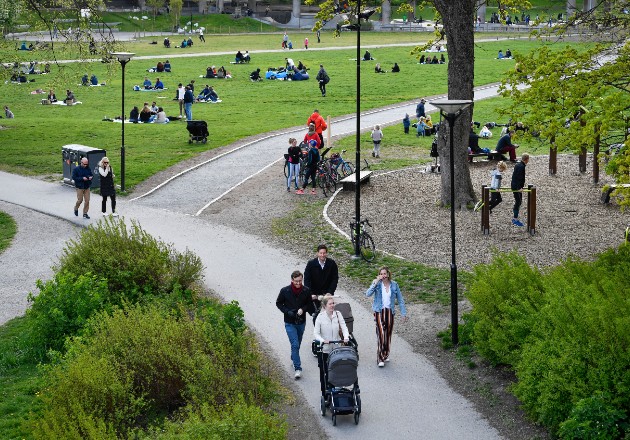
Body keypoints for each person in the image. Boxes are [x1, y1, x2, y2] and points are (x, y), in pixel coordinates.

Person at [365, 266, 407, 367]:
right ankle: (380, 358)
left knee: (388, 334)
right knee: (381, 334)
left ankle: (386, 353)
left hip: (390, 312)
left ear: (388, 274)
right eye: (381, 274)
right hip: (379, 311)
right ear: (379, 275)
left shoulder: (394, 285)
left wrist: (403, 313)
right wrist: (374, 283)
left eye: (385, 274)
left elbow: (400, 300)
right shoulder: (377, 284)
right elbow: (368, 294)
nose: (383, 276)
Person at [276, 270, 313, 379]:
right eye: (296, 281)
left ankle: (294, 357)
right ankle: (298, 368)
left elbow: (309, 304)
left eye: (300, 281)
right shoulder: (285, 291)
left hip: (301, 322)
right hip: (289, 322)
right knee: (295, 344)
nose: (298, 283)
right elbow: (279, 303)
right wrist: (287, 311)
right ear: (292, 280)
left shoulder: (306, 290)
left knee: (297, 344)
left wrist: (303, 309)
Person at [313, 294, 349, 398]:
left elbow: (344, 326)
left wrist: (346, 337)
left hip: (336, 349)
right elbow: (316, 333)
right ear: (325, 306)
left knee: (336, 370)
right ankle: (325, 394)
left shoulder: (338, 314)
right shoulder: (320, 317)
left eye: (333, 303)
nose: (332, 305)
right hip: (325, 350)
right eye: (330, 304)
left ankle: (335, 391)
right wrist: (323, 340)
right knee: (324, 372)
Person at [304, 244, 339, 322]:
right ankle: (318, 332)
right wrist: (310, 293)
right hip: (315, 294)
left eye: (324, 253)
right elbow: (307, 279)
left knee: (329, 313)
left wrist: (330, 292)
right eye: (321, 253)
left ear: (326, 253)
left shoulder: (331, 264)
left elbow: (335, 279)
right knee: (316, 314)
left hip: (326, 293)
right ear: (317, 253)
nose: (322, 255)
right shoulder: (311, 264)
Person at [510, 153, 529, 227]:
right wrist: (519, 188)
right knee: (518, 201)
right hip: (516, 187)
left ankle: (515, 217)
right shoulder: (521, 167)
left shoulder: (518, 164)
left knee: (519, 201)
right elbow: (519, 177)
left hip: (515, 185)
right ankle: (515, 218)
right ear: (527, 159)